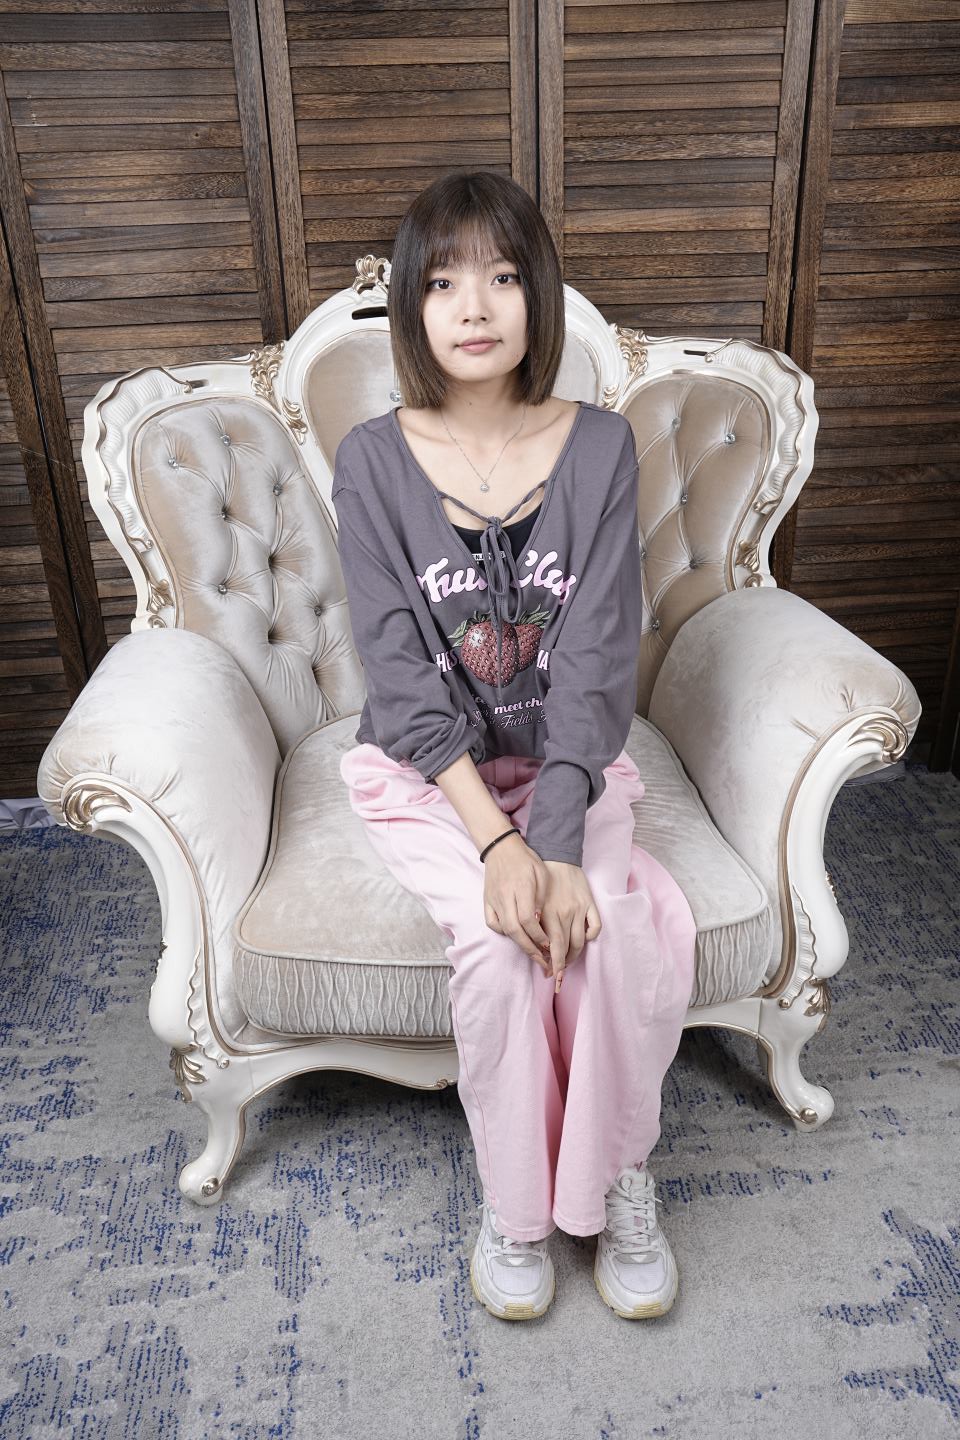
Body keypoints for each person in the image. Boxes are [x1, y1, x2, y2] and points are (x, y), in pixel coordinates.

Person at [333, 170, 698, 1323]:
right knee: (499, 951)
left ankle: (619, 1177)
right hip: (429, 779)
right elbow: (399, 674)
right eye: (443, 282)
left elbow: (595, 659)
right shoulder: (371, 461)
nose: (475, 306)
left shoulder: (599, 447)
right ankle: (518, 1209)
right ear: (411, 306)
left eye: (500, 276)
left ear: (537, 294)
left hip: (567, 766)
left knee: (604, 933)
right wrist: (500, 850)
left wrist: (558, 846)